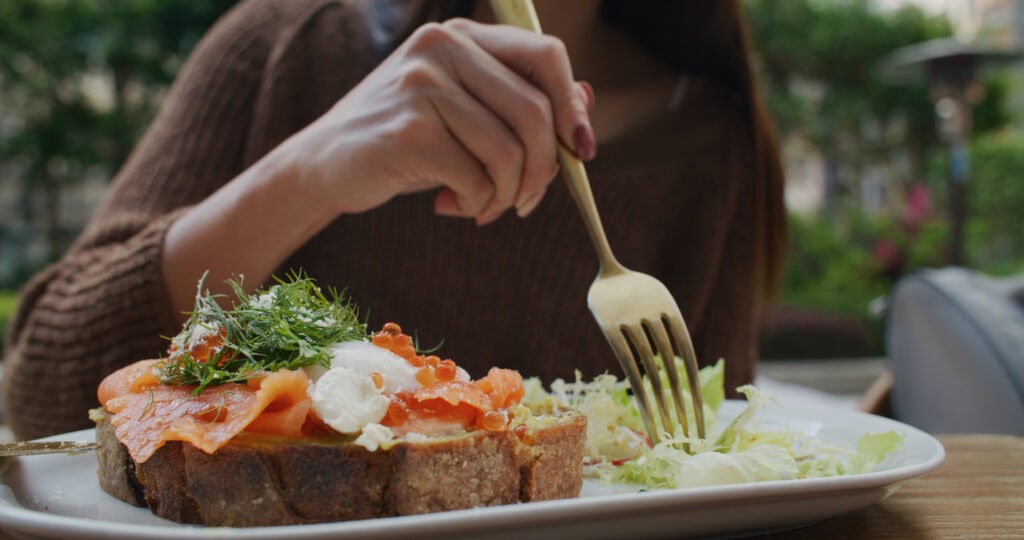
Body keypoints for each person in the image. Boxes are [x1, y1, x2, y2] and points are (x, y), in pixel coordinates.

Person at [2, 0, 786, 439]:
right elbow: (36, 392)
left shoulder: (712, 144)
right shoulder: (284, 45)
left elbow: (716, 474)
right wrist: (313, 169)